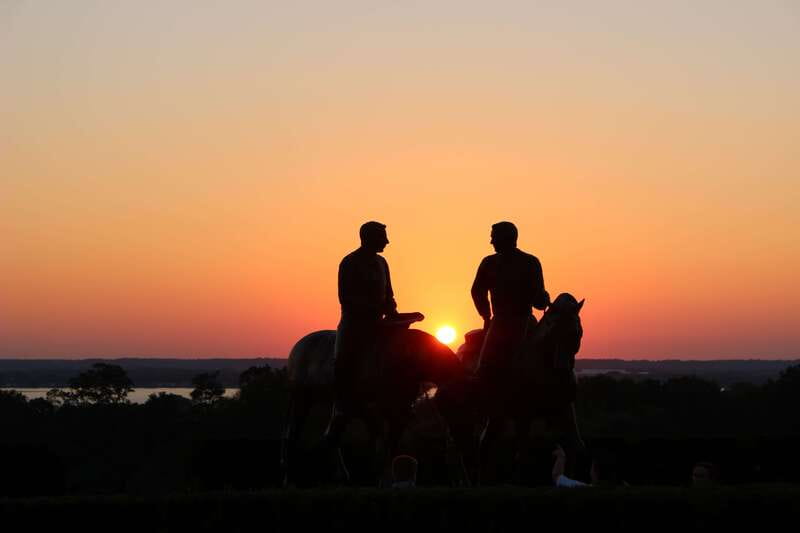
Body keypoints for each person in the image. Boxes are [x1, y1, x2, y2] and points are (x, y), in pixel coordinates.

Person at [471, 221, 550, 388]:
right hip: (523, 322)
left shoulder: (490, 263)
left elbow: (477, 291)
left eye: (493, 238)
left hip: (504, 326)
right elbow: (539, 302)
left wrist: (486, 317)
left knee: (484, 370)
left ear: (506, 238)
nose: (491, 242)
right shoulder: (531, 262)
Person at [333, 221, 399, 412]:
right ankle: (342, 400)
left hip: (379, 323)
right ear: (368, 238)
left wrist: (392, 311)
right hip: (354, 325)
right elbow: (345, 298)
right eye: (382, 237)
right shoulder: (350, 262)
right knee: (344, 360)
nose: (387, 241)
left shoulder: (382, 263)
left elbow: (389, 294)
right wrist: (373, 309)